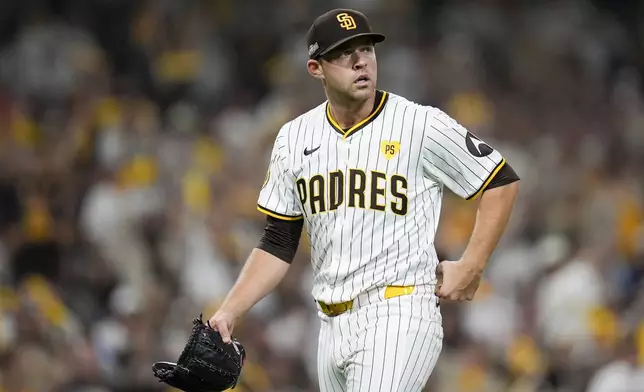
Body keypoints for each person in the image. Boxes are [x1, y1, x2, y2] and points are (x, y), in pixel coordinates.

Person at [209, 8, 520, 392]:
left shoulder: (419, 123)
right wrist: (229, 310)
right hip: (328, 325)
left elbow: (500, 180)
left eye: (367, 50)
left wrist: (472, 264)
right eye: (343, 54)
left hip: (399, 311)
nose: (360, 61)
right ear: (315, 68)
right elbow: (278, 241)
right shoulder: (293, 138)